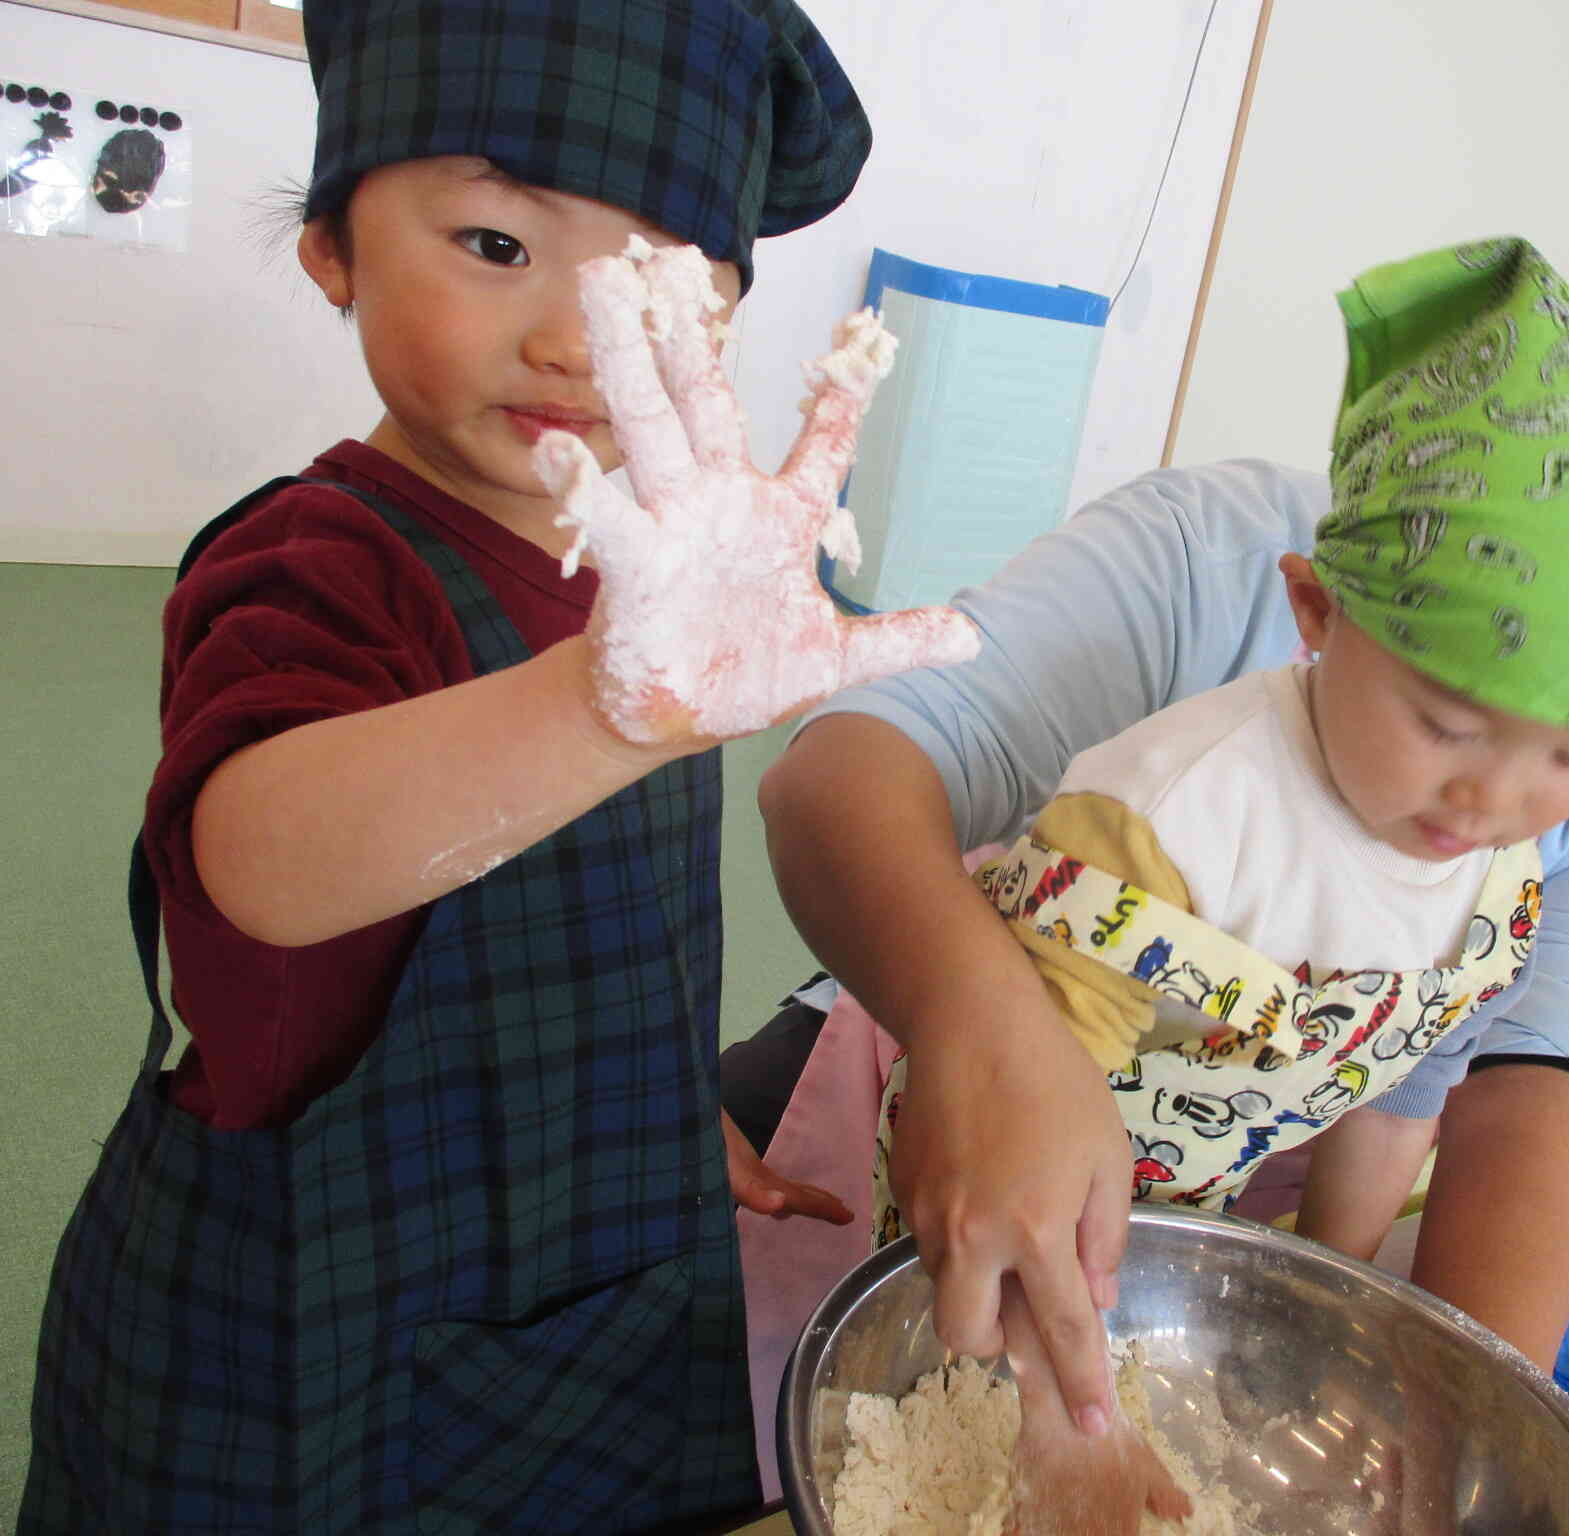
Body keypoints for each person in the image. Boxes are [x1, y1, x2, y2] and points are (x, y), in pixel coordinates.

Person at [17, 3, 979, 1531]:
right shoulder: (319, 563)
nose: (573, 336)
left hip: (584, 1263)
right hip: (308, 1323)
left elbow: (615, 928)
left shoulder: (649, 586)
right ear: (333, 247)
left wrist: (664, 1110)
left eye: (656, 283)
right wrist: (606, 708)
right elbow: (256, 864)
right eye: (493, 245)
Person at [740, 246, 1569, 1489]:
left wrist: (1456, 1415)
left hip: (1206, 1202)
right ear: (1318, 614)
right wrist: (989, 1037)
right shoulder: (1200, 722)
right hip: (943, 1067)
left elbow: (1495, 1094)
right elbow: (841, 777)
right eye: (1451, 722)